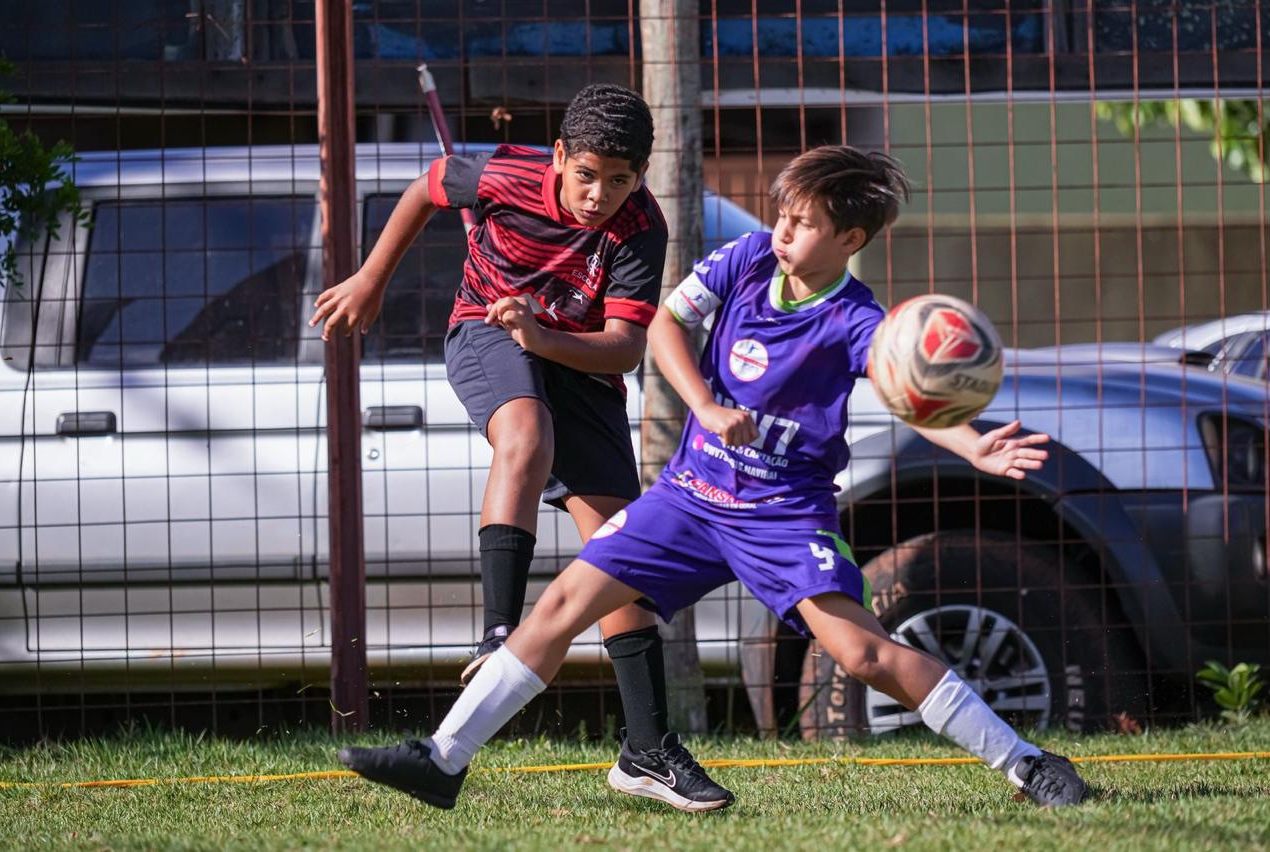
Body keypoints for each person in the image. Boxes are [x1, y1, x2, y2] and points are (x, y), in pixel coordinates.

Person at [337, 145, 1089, 811]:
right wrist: (704, 404)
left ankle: (1026, 762)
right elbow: (664, 326)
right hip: (691, 496)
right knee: (563, 603)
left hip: (783, 515)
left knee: (862, 655)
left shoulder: (861, 321)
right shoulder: (748, 258)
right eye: (782, 216)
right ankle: (442, 761)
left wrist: (972, 446)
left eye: (802, 224)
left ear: (850, 240)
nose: (783, 232)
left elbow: (909, 394)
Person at [312, 83, 732, 810]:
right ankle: (497, 628)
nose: (600, 195)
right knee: (525, 433)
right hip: (486, 330)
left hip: (577, 361)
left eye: (620, 180)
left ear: (641, 177)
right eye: (587, 175)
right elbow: (428, 187)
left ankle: (647, 750)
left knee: (618, 559)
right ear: (561, 156)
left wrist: (545, 335)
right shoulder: (505, 175)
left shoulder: (640, 227)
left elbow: (625, 349)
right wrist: (372, 276)